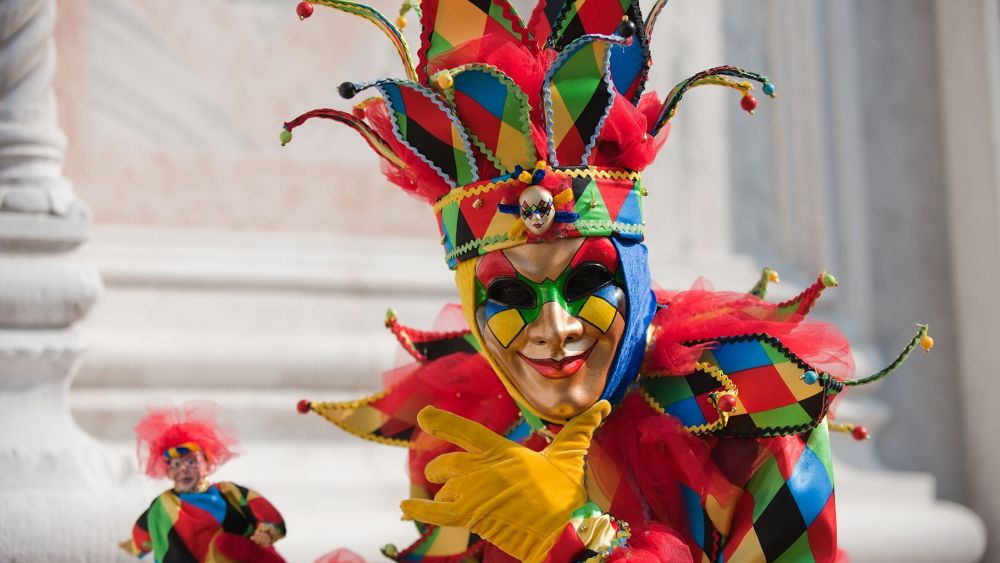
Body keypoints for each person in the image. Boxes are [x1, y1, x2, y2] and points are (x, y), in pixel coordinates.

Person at [282, 0, 932, 560]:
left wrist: (572, 539)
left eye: (588, 279)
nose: (555, 327)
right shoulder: (465, 430)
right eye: (509, 294)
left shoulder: (751, 405)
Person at [120, 402, 287, 563]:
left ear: (208, 463)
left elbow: (261, 509)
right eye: (176, 464)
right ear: (168, 471)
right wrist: (134, 545)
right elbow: (143, 534)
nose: (184, 469)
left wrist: (267, 531)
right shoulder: (161, 506)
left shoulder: (228, 493)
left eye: (192, 461)